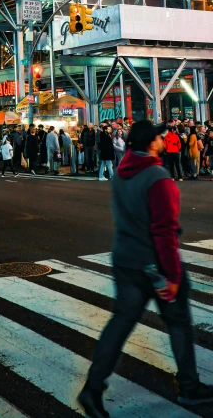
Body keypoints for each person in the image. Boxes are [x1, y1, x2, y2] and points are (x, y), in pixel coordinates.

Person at [78, 119, 213, 418]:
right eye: (158, 136)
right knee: (178, 323)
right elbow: (164, 230)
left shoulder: (123, 174)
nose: (162, 138)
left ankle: (93, 387)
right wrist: (173, 276)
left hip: (125, 258)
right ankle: (190, 388)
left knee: (119, 325)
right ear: (151, 143)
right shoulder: (157, 177)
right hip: (156, 265)